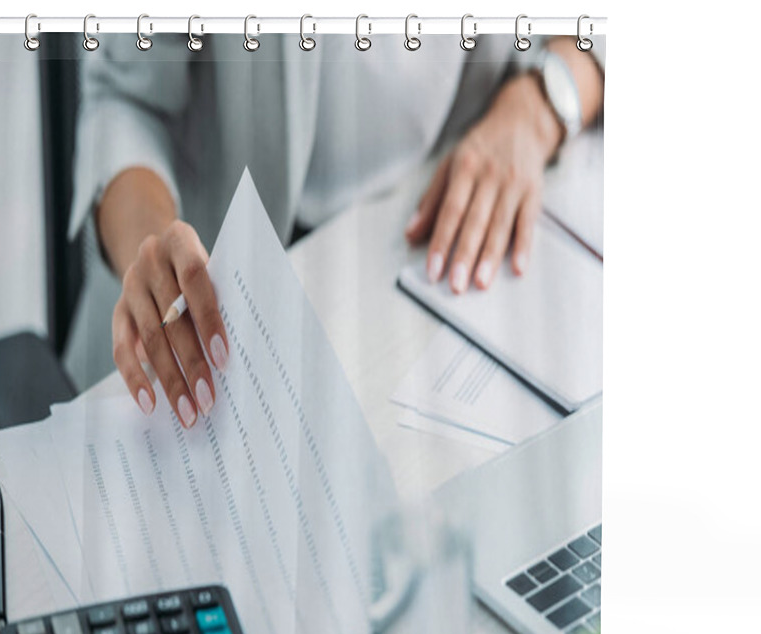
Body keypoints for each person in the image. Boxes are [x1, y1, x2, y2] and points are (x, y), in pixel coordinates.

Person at [71, 31, 604, 429]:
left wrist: (542, 103)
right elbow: (123, 102)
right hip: (210, 329)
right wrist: (153, 240)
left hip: (429, 286)